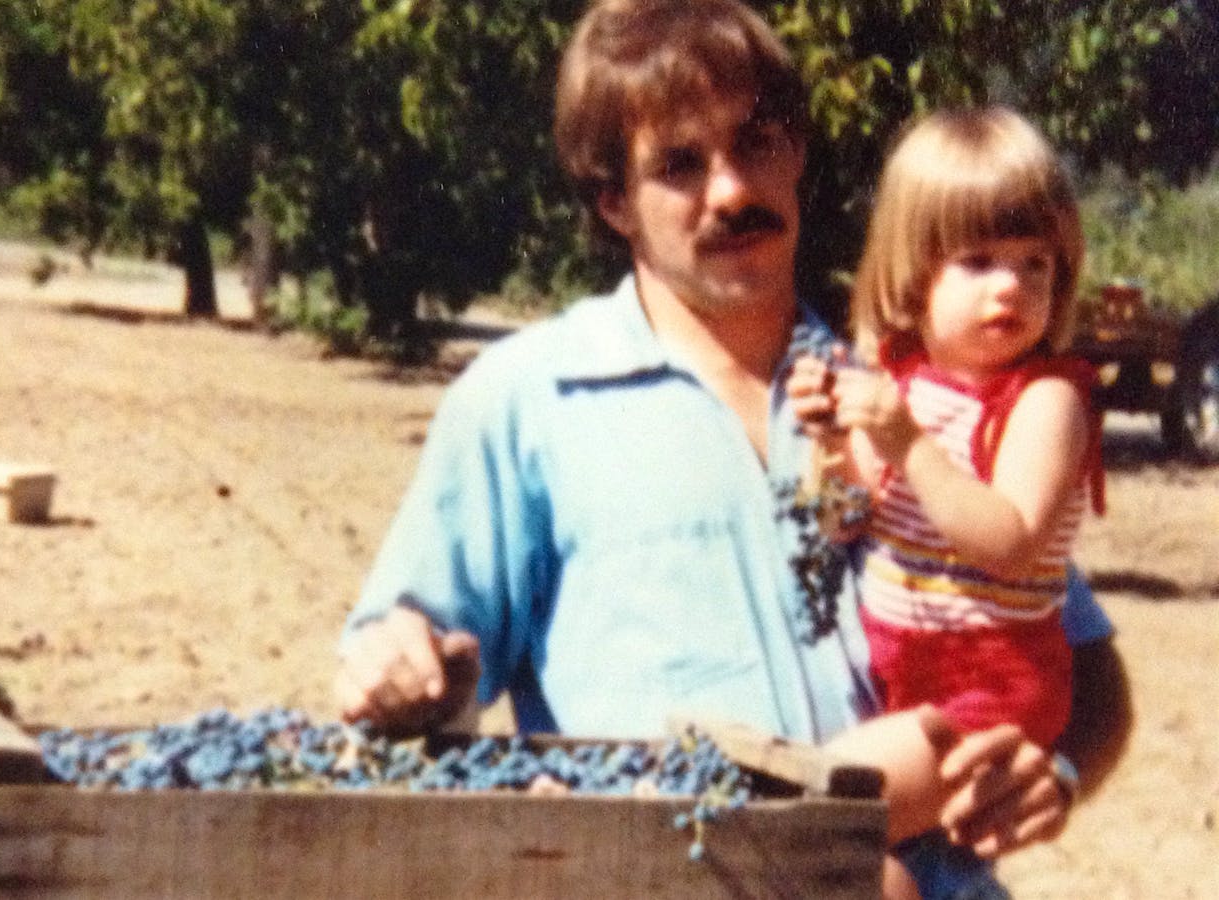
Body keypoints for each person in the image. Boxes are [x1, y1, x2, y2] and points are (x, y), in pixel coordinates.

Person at [333, 1, 1129, 897]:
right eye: (680, 164)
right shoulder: (526, 401)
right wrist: (401, 661)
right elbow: (409, 663)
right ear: (613, 202)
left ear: (797, 155)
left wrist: (1057, 775)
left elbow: (1087, 669)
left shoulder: (910, 394)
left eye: (757, 142)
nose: (732, 191)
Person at [787, 105, 1106, 897]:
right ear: (912, 272)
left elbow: (1012, 538)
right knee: (876, 862)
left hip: (989, 687)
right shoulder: (902, 385)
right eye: (979, 260)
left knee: (816, 814)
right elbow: (845, 519)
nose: (1013, 287)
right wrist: (831, 445)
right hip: (906, 670)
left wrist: (910, 446)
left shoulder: (1045, 402)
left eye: (1037, 263)